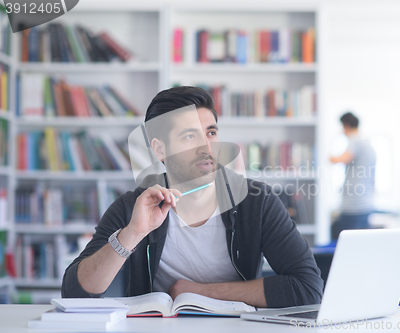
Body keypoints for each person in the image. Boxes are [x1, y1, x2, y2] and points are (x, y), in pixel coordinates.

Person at [62, 86, 323, 308]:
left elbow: (307, 287)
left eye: (211, 133)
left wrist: (199, 292)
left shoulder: (257, 201)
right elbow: (76, 294)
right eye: (190, 136)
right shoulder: (133, 206)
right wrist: (131, 234)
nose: (207, 148)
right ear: (160, 149)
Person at [329, 112, 376, 240]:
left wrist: (326, 156)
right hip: (366, 203)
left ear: (346, 125)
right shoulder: (368, 144)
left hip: (354, 206)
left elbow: (342, 158)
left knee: (343, 241)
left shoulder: (356, 142)